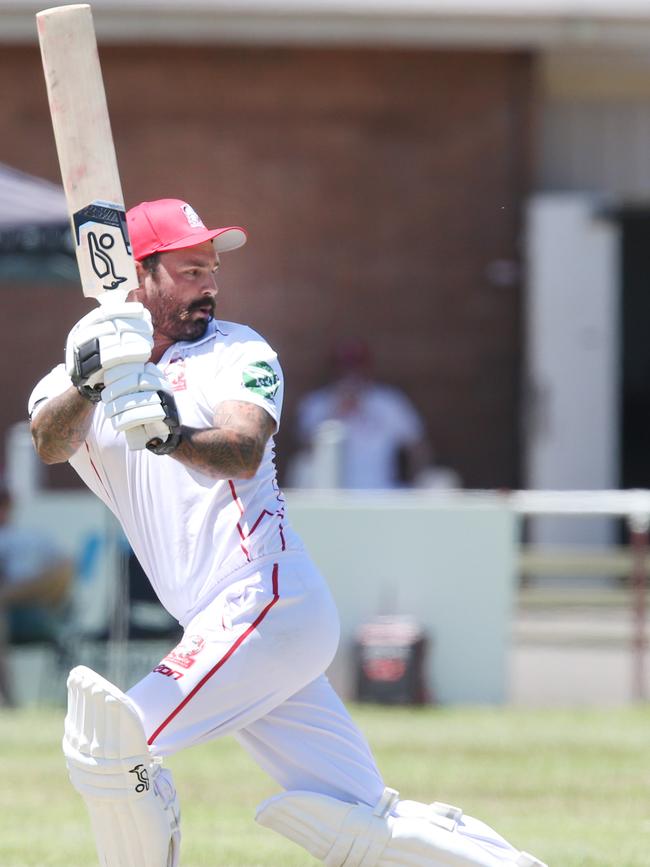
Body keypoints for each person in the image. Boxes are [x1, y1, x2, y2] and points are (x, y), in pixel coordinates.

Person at [29, 198, 545, 867]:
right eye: (189, 269)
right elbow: (49, 439)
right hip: (232, 623)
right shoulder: (90, 366)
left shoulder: (238, 349)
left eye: (212, 268)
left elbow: (243, 446)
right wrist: (89, 379)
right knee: (361, 822)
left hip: (265, 601)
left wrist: (171, 434)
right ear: (138, 275)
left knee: (111, 745)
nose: (209, 283)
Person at [293, 338, 432, 489]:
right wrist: (335, 413)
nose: (351, 374)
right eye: (345, 367)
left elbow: (418, 448)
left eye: (357, 367)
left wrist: (417, 486)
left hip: (383, 493)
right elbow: (304, 454)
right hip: (332, 494)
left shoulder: (389, 402)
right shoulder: (316, 404)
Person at [0, 482, 73, 705]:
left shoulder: (32, 537)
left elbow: (65, 569)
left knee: (62, 568)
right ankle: (10, 703)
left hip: (36, 612)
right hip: (6, 616)